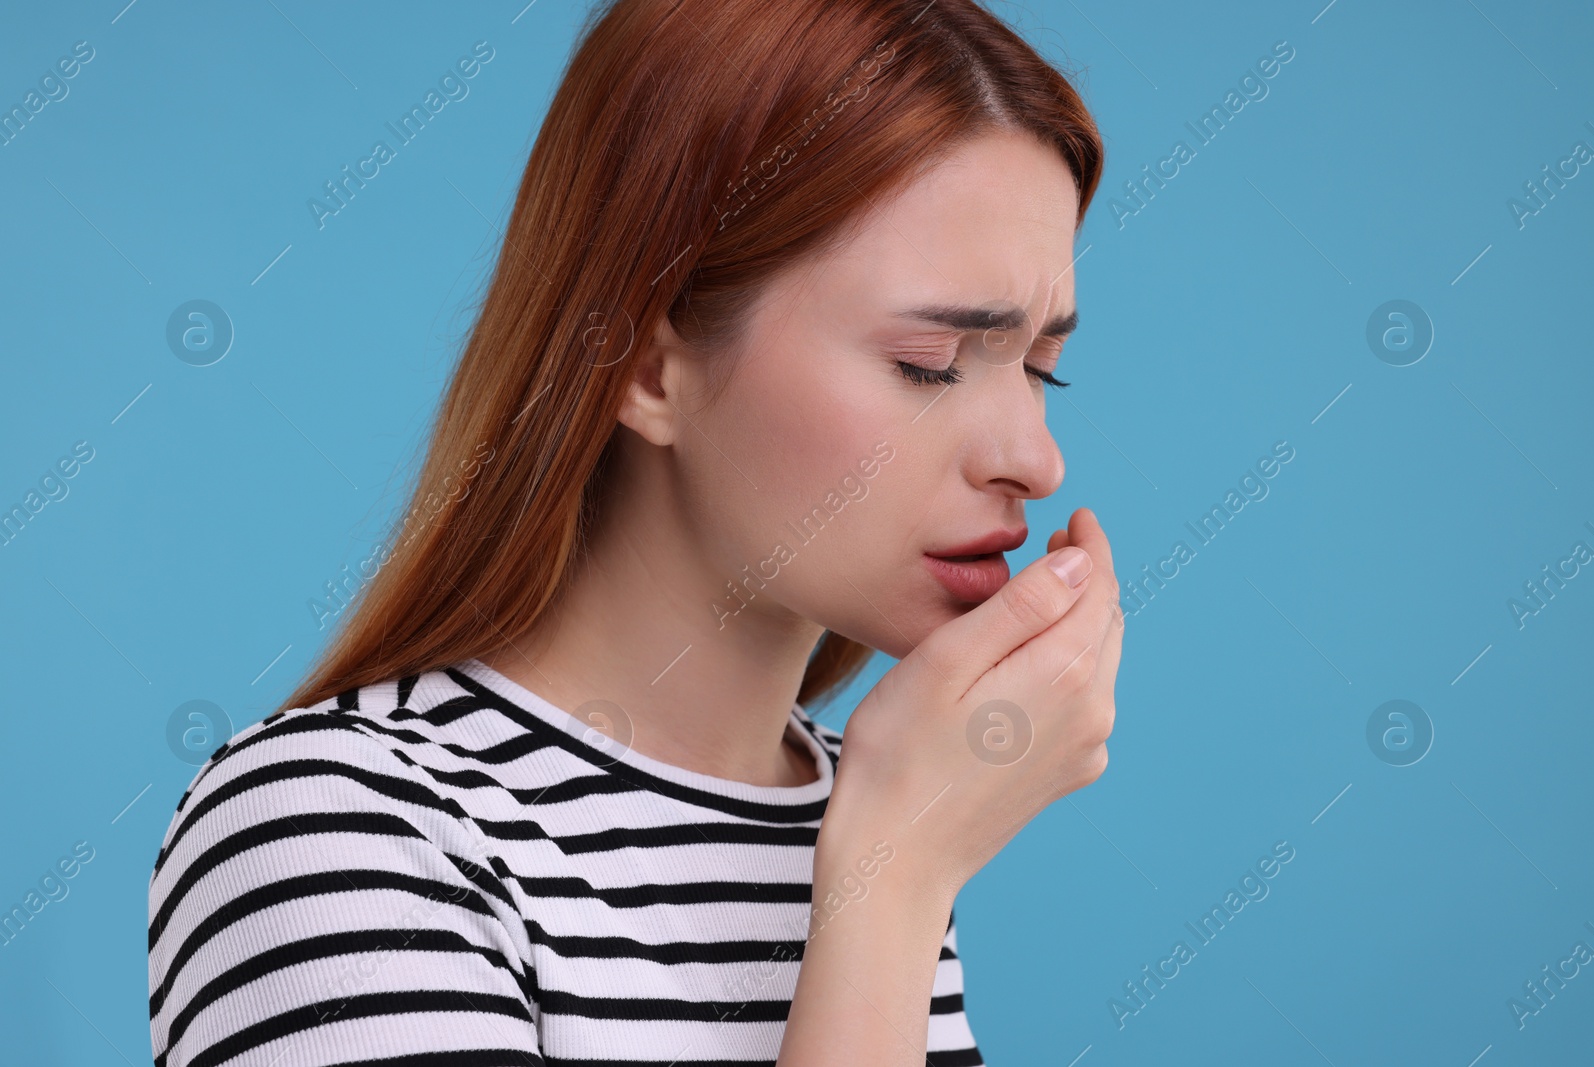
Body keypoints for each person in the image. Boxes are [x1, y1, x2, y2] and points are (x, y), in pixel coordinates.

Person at [146, 0, 1123, 1063]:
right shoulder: (329, 833)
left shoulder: (882, 800)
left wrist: (891, 860)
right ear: (647, 367)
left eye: (1039, 367)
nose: (1036, 457)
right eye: (929, 362)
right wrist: (886, 882)